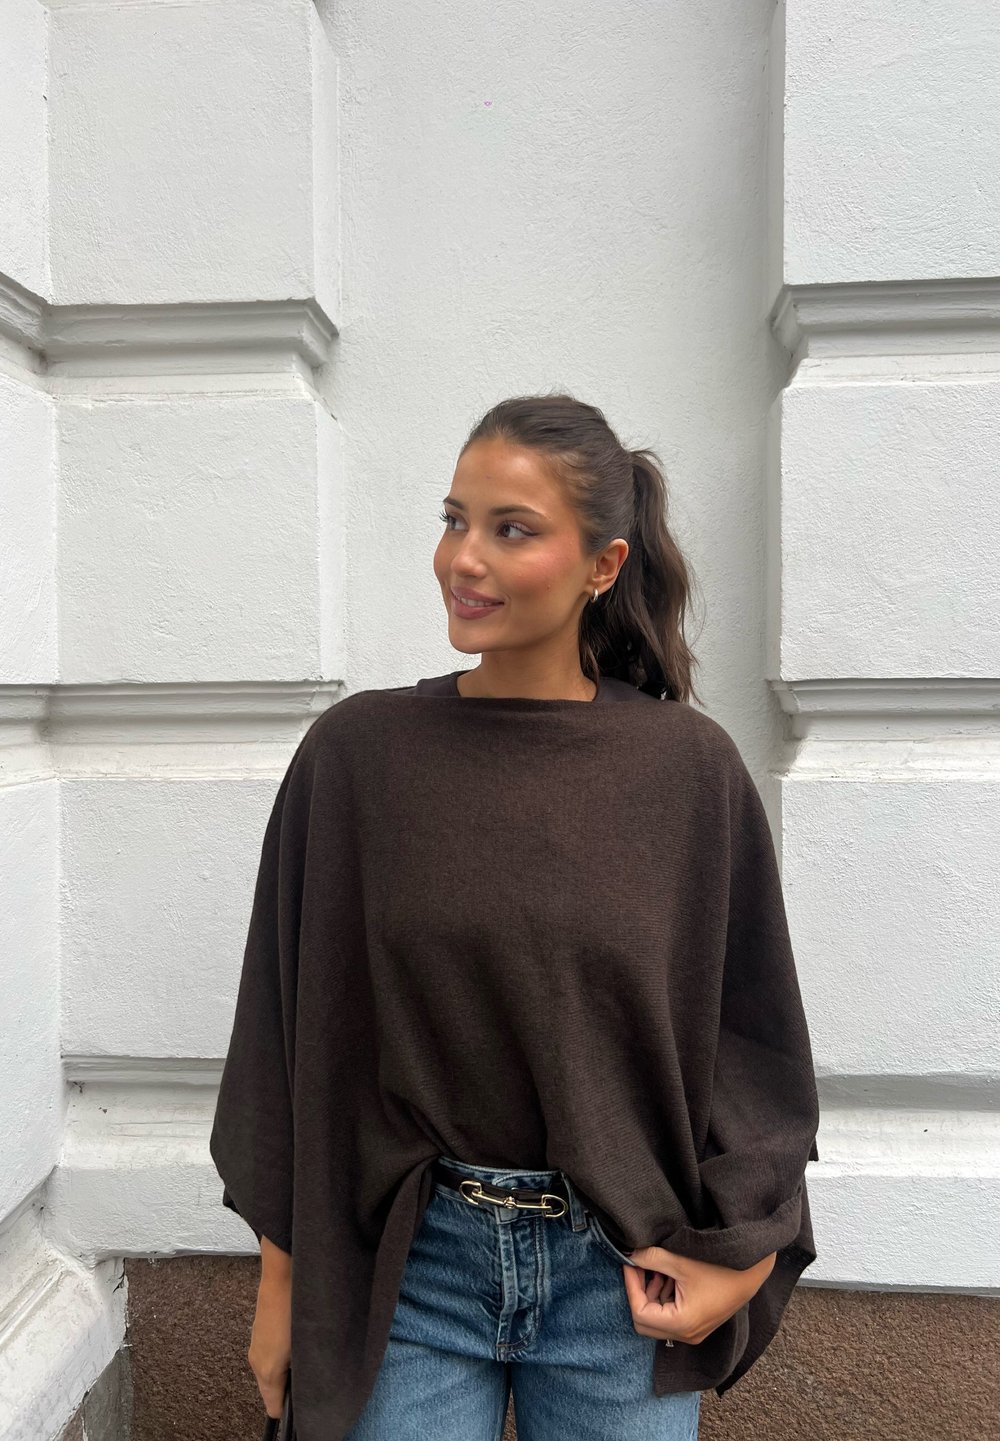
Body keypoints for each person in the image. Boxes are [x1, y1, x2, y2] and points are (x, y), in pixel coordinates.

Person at [210, 393, 820, 1441]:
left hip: (622, 1276)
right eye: (454, 519)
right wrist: (281, 1286)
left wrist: (747, 1257)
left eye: (511, 529)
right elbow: (289, 1030)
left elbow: (749, 1045)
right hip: (405, 1268)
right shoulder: (359, 757)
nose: (464, 559)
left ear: (603, 564)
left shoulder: (686, 773)